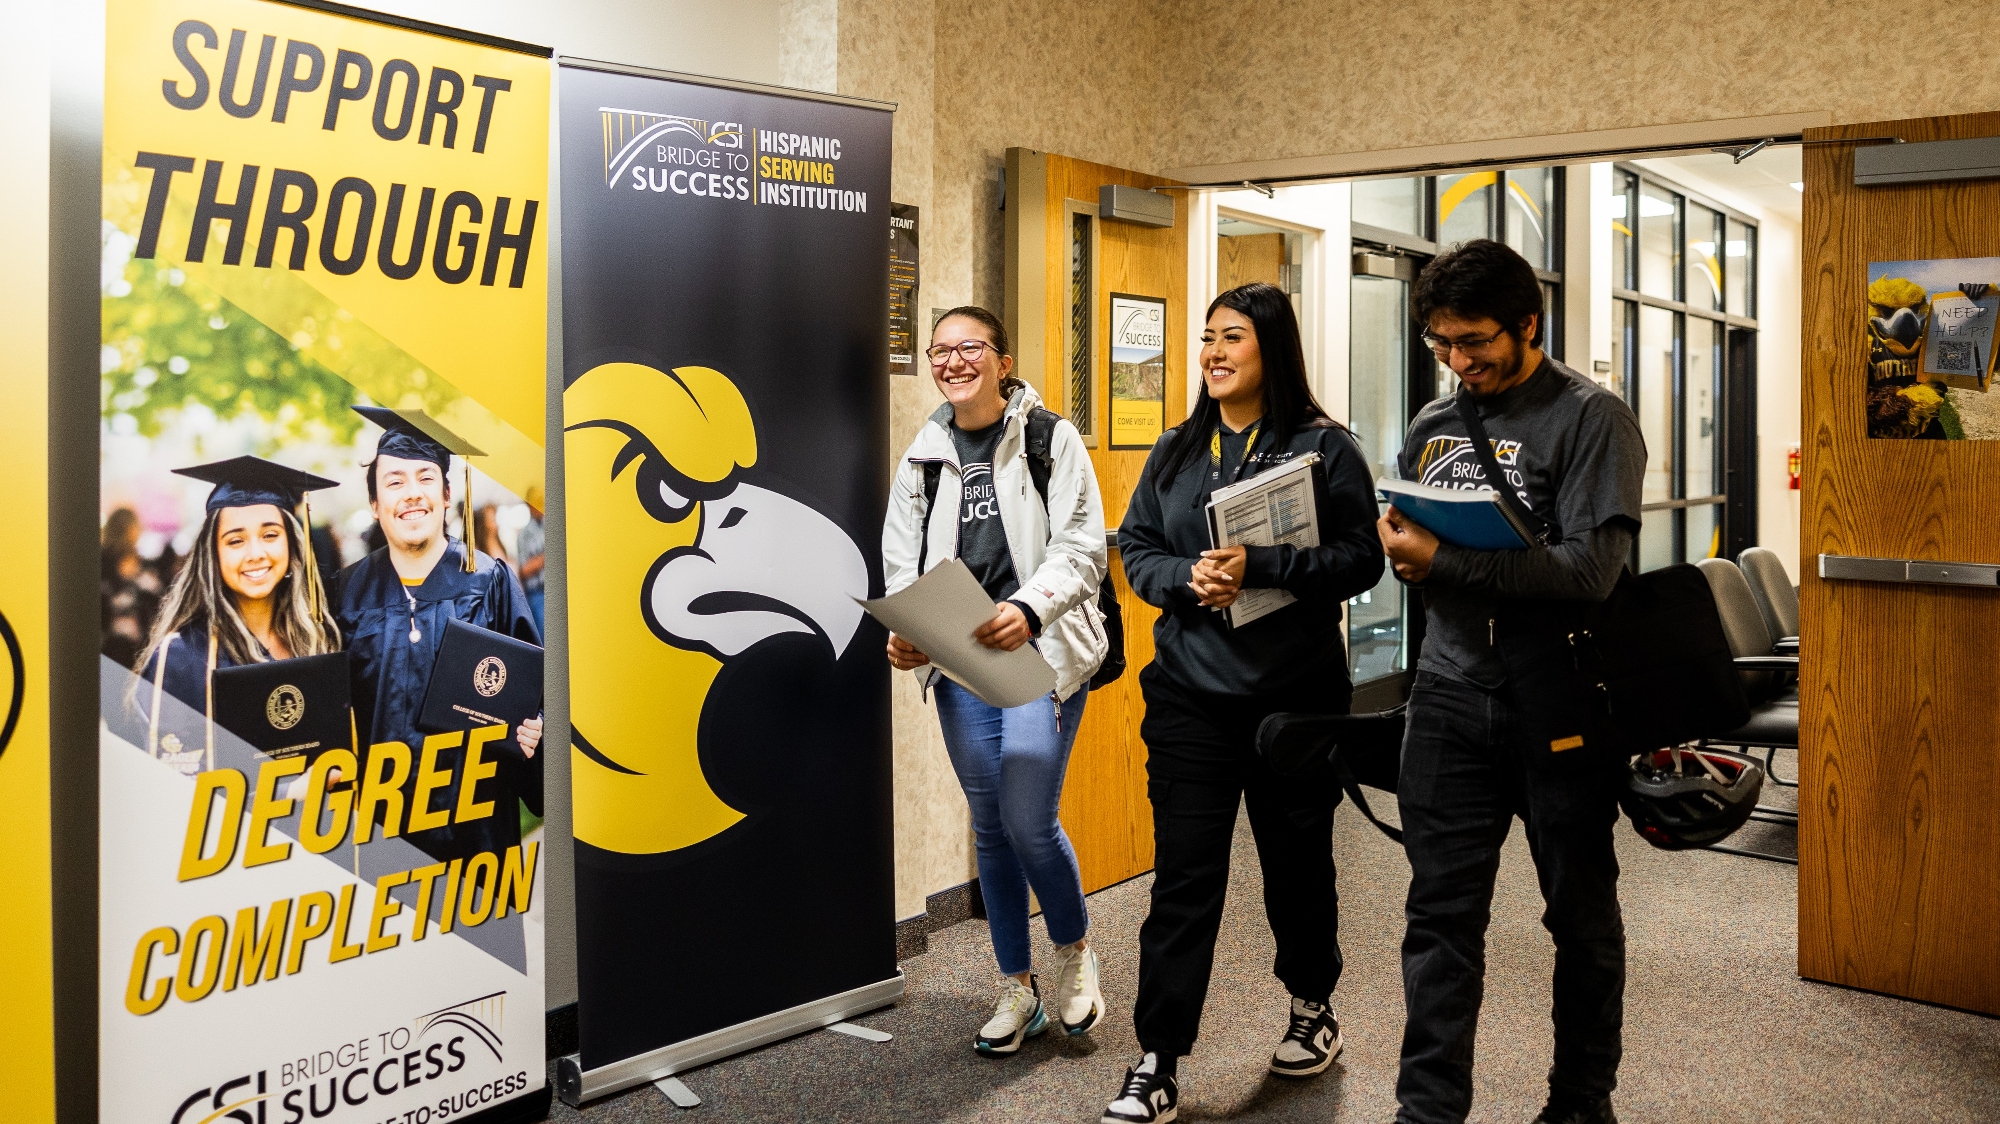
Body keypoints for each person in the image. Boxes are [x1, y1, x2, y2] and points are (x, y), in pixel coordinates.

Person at [1378, 240, 1645, 1124]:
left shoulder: (1590, 419)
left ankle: (1579, 1106)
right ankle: (1428, 1112)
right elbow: (1426, 557)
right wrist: (1412, 563)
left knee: (1579, 919)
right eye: (1442, 344)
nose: (1460, 363)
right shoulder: (1433, 424)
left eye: (1476, 342)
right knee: (1439, 922)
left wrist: (1443, 560)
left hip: (1556, 700)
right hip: (1451, 698)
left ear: (1529, 325)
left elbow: (1587, 575)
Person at [1106, 282, 1385, 1123]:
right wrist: (1185, 582)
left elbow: (1360, 561)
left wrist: (1263, 568)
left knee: (1296, 872)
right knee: (1186, 880)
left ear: (1272, 348)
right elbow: (1139, 548)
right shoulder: (1179, 449)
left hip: (1293, 704)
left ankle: (1312, 1005)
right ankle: (1157, 1059)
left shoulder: (1324, 448)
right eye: (1207, 339)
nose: (1214, 353)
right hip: (1191, 700)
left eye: (1233, 338)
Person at [880, 305, 1111, 1056]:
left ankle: (1074, 954)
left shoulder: (1049, 438)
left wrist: (1028, 607)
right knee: (990, 825)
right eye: (939, 351)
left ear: (1002, 360)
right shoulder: (922, 455)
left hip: (1037, 651)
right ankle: (1018, 986)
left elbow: (1081, 548)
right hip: (961, 661)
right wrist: (908, 632)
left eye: (969, 347)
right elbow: (901, 560)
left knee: (1027, 815)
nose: (952, 362)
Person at [334, 406, 544, 864]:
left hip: (479, 826)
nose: (412, 494)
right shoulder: (345, 596)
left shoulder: (491, 581)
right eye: (394, 482)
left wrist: (535, 732)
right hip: (380, 836)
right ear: (374, 505)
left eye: (426, 479)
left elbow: (533, 690)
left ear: (448, 494)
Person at [130, 457, 344, 772]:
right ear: (213, 555)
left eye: (270, 535)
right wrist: (288, 793)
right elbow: (169, 789)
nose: (256, 553)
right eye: (236, 541)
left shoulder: (316, 641)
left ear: (292, 546)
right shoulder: (180, 658)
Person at [101, 506, 162, 670]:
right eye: (135, 526)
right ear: (127, 529)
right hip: (111, 653)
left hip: (141, 652)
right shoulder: (104, 567)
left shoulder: (146, 567)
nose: (139, 531)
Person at [517, 485, 546, 634]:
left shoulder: (550, 526)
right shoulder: (525, 534)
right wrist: (544, 558)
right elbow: (524, 569)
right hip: (537, 593)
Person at [473, 502, 513, 575]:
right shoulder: (478, 550)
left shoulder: (499, 543)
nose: (495, 523)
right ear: (483, 523)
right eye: (491, 519)